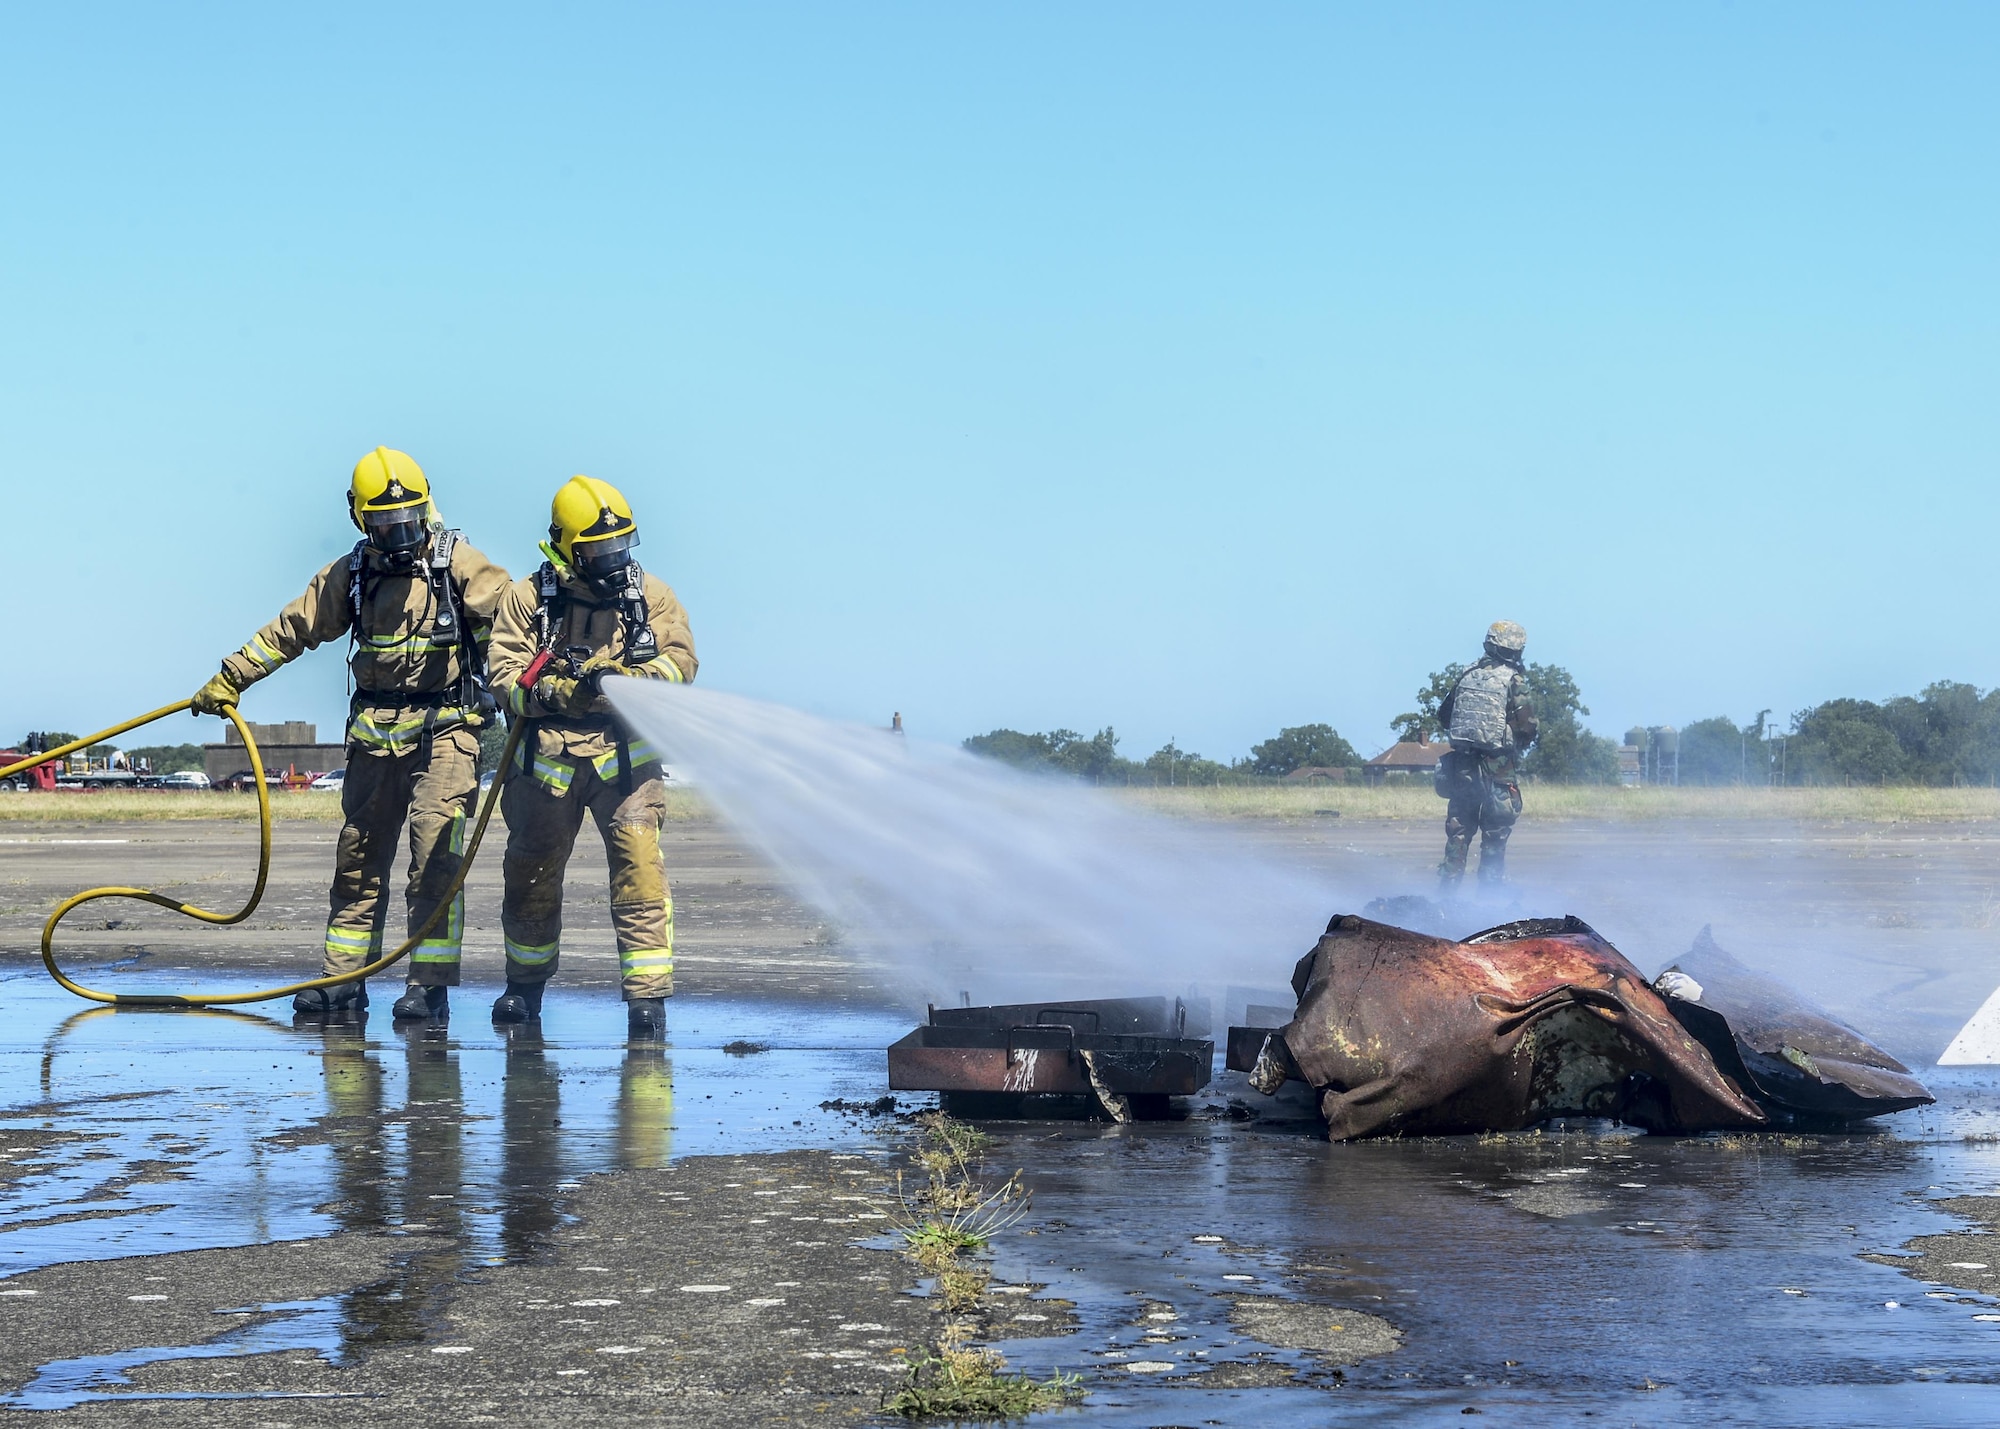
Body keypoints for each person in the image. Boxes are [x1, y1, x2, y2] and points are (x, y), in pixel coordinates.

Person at [190, 448, 510, 1022]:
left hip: (447, 733)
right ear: (362, 520)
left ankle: (428, 985)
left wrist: (529, 687)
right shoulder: (353, 573)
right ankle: (344, 978)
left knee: (433, 856)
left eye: (407, 520)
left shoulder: (458, 564)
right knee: (358, 857)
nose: (397, 533)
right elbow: (292, 627)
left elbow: (513, 623)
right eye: (384, 524)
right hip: (373, 737)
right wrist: (230, 676)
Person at [485, 476, 697, 1038]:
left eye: (620, 547)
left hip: (626, 768)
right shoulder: (527, 599)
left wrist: (632, 678)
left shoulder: (651, 596)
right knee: (530, 876)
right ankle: (523, 990)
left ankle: (646, 1002)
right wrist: (556, 691)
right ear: (564, 547)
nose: (611, 560)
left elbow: (681, 666)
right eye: (598, 551)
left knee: (641, 876)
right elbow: (503, 677)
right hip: (544, 767)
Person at [1435, 620, 1538, 888]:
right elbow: (1527, 727)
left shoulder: (1467, 675)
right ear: (1515, 651)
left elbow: (1444, 716)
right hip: (1499, 771)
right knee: (1494, 836)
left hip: (1462, 769)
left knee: (1458, 834)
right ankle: (1489, 901)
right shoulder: (1513, 681)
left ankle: (1446, 896)